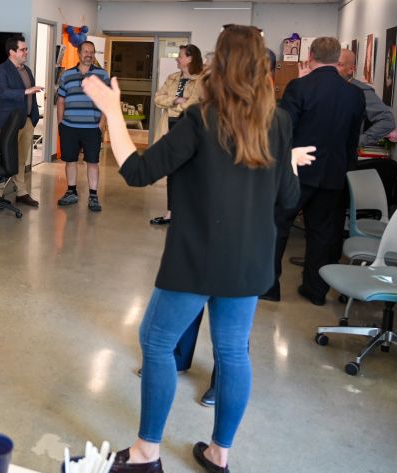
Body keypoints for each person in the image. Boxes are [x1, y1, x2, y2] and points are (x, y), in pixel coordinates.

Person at [82, 25, 311, 473]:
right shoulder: (279, 123)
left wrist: (112, 111)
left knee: (156, 339)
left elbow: (137, 170)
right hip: (250, 264)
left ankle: (147, 453)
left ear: (220, 67)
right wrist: (287, 163)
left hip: (198, 260)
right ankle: (219, 454)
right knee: (232, 353)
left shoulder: (200, 120)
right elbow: (288, 198)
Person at [264, 37, 365, 305]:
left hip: (297, 171)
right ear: (336, 59)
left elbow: (283, 130)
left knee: (278, 226)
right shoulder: (354, 95)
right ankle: (315, 290)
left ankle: (269, 286)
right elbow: (352, 139)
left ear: (310, 55)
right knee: (321, 233)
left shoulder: (300, 87)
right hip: (333, 175)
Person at [150, 44, 204, 226]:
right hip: (169, 128)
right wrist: (175, 100)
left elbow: (195, 104)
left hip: (189, 128)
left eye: (180, 56)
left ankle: (191, 214)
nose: (176, 59)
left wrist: (177, 105)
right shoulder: (172, 78)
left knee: (191, 174)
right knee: (173, 174)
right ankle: (170, 213)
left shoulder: (201, 80)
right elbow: (158, 98)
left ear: (189, 58)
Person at [55, 40, 109, 212]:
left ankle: (93, 196)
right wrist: (60, 124)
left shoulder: (102, 75)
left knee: (92, 162)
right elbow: (61, 100)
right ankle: (71, 192)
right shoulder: (67, 75)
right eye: (86, 51)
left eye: (92, 52)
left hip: (92, 128)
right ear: (79, 53)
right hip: (69, 126)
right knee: (70, 160)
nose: (89, 54)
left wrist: (101, 125)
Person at [0, 35, 42, 208]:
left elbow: (32, 96)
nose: (26, 52)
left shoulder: (27, 70)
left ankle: (21, 192)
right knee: (7, 158)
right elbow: (3, 93)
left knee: (21, 159)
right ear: (12, 52)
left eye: (26, 49)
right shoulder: (1, 70)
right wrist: (26, 91)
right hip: (10, 123)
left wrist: (33, 118)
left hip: (27, 121)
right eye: (22, 49)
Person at [336, 48, 397, 146]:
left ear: (351, 69)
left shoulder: (361, 90)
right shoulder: (330, 87)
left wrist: (358, 141)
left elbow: (387, 120)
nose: (333, 68)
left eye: (339, 64)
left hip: (343, 155)